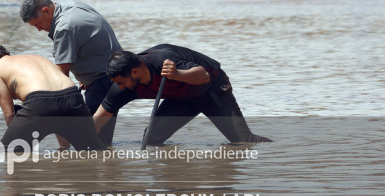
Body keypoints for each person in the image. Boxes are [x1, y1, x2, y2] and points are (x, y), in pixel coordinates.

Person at [93, 47, 272, 145]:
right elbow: (99, 118)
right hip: (180, 98)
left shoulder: (164, 59)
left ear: (135, 71)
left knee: (243, 141)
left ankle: (276, 152)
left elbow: (203, 76)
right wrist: (80, 145)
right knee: (151, 140)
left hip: (211, 89)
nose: (120, 87)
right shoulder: (123, 87)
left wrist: (177, 74)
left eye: (121, 82)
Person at [20, 0, 122, 145]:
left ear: (46, 11)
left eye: (38, 24)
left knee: (95, 144)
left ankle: (104, 167)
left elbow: (60, 79)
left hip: (104, 82)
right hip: (114, 71)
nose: (39, 30)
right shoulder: (70, 5)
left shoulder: (64, 27)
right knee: (92, 138)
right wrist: (82, 77)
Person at [0, 41, 105, 151]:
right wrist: (64, 146)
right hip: (73, 98)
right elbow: (57, 104)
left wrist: (17, 142)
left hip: (40, 104)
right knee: (94, 151)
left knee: (5, 152)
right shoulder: (36, 58)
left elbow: (9, 114)